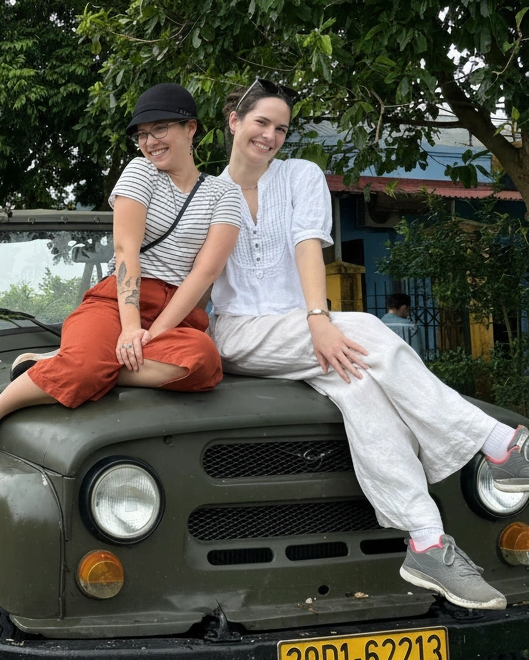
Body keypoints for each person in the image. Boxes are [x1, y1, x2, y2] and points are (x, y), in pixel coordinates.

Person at [207, 78, 529, 610]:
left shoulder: (301, 176)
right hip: (242, 331)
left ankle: (426, 540)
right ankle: (497, 444)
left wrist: (316, 318)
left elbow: (306, 245)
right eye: (261, 122)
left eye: (281, 128)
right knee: (366, 330)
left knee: (362, 392)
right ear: (234, 121)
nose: (270, 136)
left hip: (306, 329)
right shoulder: (208, 194)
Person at [0, 83, 242, 461]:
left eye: (160, 129)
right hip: (118, 301)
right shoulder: (140, 173)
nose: (150, 142)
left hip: (177, 312)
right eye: (142, 134)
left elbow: (205, 272)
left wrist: (154, 334)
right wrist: (131, 328)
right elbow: (125, 250)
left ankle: (61, 363)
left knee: (203, 363)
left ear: (191, 128)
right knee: (84, 369)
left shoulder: (223, 194)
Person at [382, 292, 426, 358]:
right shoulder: (411, 327)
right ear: (404, 307)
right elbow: (416, 355)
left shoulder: (377, 324)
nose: (408, 312)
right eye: (408, 308)